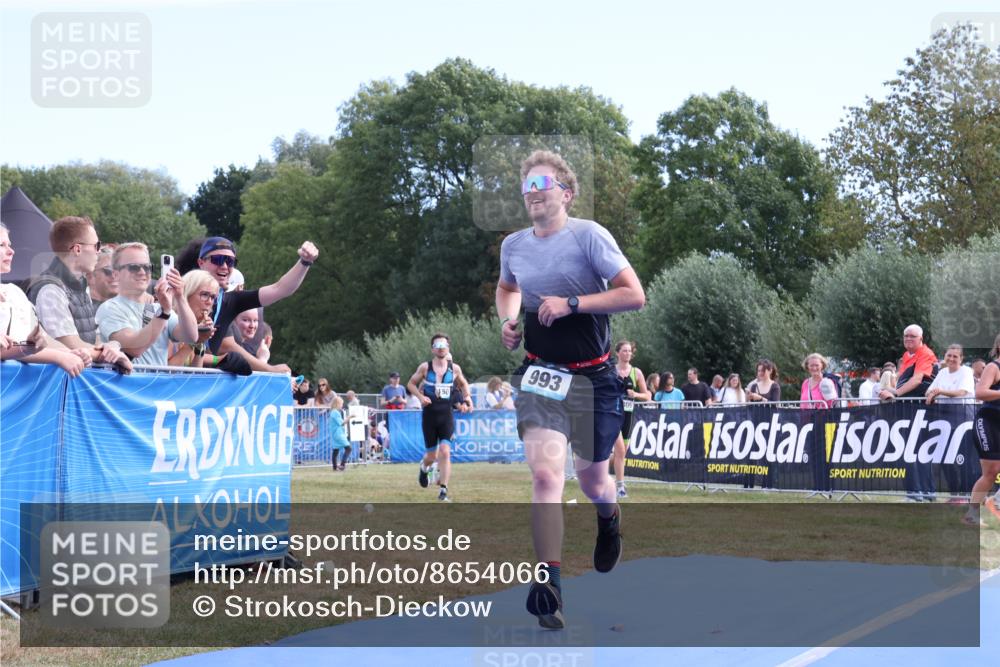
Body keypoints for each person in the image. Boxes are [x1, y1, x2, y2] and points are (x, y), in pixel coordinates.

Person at [496, 149, 645, 629]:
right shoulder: (514, 246)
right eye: (526, 186)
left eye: (543, 184)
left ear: (566, 192)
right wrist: (508, 319)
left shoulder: (590, 236)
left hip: (594, 378)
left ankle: (608, 518)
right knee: (545, 477)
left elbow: (634, 294)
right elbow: (506, 288)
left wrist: (572, 303)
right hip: (541, 375)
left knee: (593, 482)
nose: (533, 192)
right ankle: (549, 585)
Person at [192, 235, 315, 372]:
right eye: (218, 259)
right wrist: (269, 369)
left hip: (203, 383)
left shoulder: (228, 301)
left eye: (230, 261)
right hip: (175, 382)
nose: (225, 266)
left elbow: (280, 289)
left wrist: (305, 262)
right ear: (201, 262)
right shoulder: (184, 293)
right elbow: (225, 347)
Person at [25, 216, 131, 372]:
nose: (99, 251)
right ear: (77, 249)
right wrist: (110, 354)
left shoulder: (79, 286)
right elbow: (72, 346)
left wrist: (111, 346)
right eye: (96, 245)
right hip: (54, 387)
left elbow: (91, 339)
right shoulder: (50, 289)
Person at [0, 223, 91, 376]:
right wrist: (59, 356)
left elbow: (30, 342)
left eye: (9, 244)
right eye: (2, 245)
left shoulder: (14, 292)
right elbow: (10, 350)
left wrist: (72, 352)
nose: (11, 251)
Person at [95, 243, 198, 367]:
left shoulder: (157, 308)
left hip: (157, 384)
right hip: (127, 385)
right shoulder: (109, 308)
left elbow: (191, 336)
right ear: (116, 274)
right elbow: (134, 348)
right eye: (134, 267)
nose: (142, 272)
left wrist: (180, 297)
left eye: (147, 267)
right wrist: (164, 312)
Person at [407, 333, 472, 502]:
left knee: (445, 451)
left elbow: (463, 383)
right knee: (431, 456)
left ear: (448, 348)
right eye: (438, 345)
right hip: (429, 416)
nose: (441, 348)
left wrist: (468, 398)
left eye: (444, 345)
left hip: (446, 416)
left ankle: (443, 491)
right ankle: (424, 468)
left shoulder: (455, 369)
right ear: (432, 349)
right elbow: (410, 384)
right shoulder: (425, 368)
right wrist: (421, 398)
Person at [965, 333, 1000, 526]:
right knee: (990, 472)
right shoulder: (994, 367)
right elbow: (980, 393)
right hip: (987, 422)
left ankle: (995, 501)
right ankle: (972, 513)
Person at [611, 340, 651, 499]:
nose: (628, 354)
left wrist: (636, 395)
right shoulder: (611, 371)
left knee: (622, 453)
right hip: (612, 414)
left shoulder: (636, 372)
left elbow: (648, 396)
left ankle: (596, 469)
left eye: (629, 351)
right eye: (624, 351)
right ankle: (620, 487)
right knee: (620, 450)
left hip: (628, 415)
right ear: (617, 353)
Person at [879, 324, 938, 401]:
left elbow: (917, 380)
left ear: (921, 338)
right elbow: (900, 376)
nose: (908, 338)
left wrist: (895, 393)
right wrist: (889, 379)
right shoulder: (907, 354)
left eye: (912, 336)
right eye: (906, 336)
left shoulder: (925, 353)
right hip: (907, 401)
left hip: (919, 402)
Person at [329, 395, 352, 470]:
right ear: (337, 404)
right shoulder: (335, 412)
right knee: (348, 448)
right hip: (338, 434)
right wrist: (349, 417)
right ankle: (342, 465)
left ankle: (335, 467)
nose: (342, 405)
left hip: (336, 434)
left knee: (336, 450)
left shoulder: (333, 412)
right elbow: (342, 423)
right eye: (341, 404)